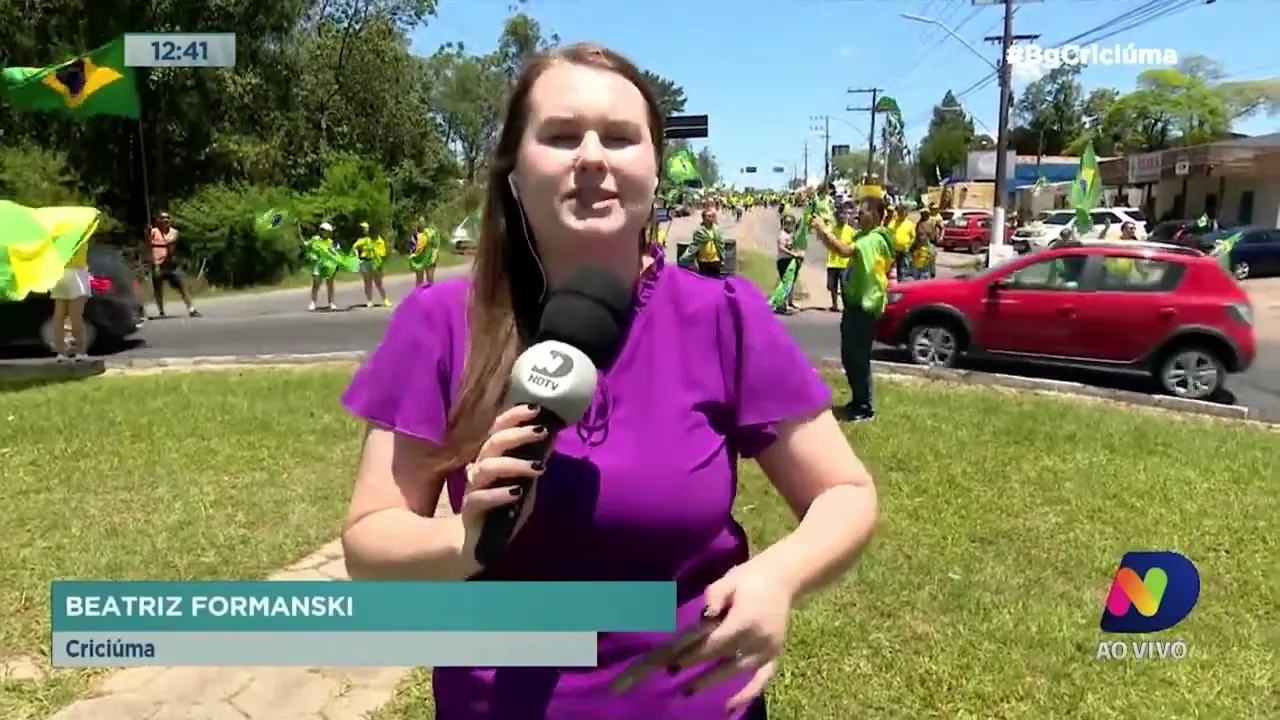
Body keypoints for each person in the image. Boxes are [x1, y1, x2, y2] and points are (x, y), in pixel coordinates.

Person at [339, 42, 878, 720]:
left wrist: (779, 577)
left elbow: (845, 492)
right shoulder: (439, 324)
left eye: (620, 138)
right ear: (513, 170)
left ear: (655, 174)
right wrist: (465, 540)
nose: (591, 156)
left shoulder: (725, 316)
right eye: (561, 135)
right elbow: (370, 543)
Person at [811, 195, 894, 422]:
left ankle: (864, 407)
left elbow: (844, 250)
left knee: (858, 358)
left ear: (876, 216)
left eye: (863, 212)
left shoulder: (874, 240)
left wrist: (822, 231)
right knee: (850, 357)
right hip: (855, 305)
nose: (858, 215)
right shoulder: (865, 236)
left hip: (864, 307)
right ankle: (858, 401)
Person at [147, 211, 200, 318]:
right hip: (157, 264)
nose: (165, 220)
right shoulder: (153, 231)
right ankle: (161, 311)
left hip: (170, 264)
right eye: (163, 218)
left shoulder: (174, 232)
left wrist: (159, 239)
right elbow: (148, 242)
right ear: (158, 220)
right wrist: (148, 234)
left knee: (181, 286)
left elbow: (170, 242)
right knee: (158, 288)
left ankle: (191, 309)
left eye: (167, 218)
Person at [50, 236, 93, 361]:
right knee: (76, 315)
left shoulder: (56, 234)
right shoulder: (80, 231)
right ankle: (80, 352)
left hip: (59, 272)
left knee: (59, 314)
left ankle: (61, 353)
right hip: (76, 272)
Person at [353, 222, 391, 308]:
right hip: (366, 262)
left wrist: (380, 264)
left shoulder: (380, 241)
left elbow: (382, 254)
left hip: (376, 263)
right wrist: (357, 256)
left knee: (378, 283)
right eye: (371, 231)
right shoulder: (366, 240)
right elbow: (354, 246)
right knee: (367, 282)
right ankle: (369, 300)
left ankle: (385, 299)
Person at [825, 205, 854, 312]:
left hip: (845, 263)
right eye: (840, 216)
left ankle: (846, 306)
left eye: (844, 216)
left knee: (844, 287)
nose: (842, 218)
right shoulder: (831, 229)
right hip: (832, 262)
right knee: (831, 285)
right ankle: (834, 304)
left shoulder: (850, 231)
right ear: (836, 217)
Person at [682, 206, 725, 277]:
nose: (711, 218)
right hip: (703, 261)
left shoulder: (717, 230)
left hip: (715, 260)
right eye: (709, 216)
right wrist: (685, 259)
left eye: (712, 216)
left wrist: (722, 258)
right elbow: (694, 246)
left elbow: (721, 245)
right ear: (703, 218)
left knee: (715, 282)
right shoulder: (699, 232)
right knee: (704, 283)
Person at [306, 222, 340, 311]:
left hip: (329, 265)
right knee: (316, 284)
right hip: (318, 264)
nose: (323, 232)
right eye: (322, 230)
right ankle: (313, 302)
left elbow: (336, 254)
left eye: (325, 230)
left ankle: (331, 303)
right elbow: (306, 245)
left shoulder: (331, 242)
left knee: (330, 284)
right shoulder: (315, 239)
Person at [775, 213, 803, 314]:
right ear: (783, 224)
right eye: (787, 223)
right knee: (785, 283)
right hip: (784, 261)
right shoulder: (782, 235)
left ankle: (789, 302)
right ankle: (780, 304)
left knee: (791, 282)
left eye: (791, 223)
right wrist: (793, 254)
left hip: (791, 261)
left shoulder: (792, 234)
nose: (789, 225)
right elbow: (781, 248)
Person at [887, 204, 915, 282]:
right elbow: (888, 234)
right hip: (893, 250)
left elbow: (913, 237)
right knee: (889, 268)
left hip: (904, 251)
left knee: (901, 269)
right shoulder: (893, 223)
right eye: (900, 212)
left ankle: (899, 283)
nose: (902, 214)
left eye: (903, 212)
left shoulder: (910, 224)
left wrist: (909, 246)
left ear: (906, 213)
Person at [409, 219, 440, 287]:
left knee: (430, 278)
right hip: (419, 259)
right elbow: (412, 249)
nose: (421, 223)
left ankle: (431, 295)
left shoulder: (430, 233)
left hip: (430, 257)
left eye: (423, 221)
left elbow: (436, 245)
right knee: (419, 280)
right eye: (420, 221)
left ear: (425, 223)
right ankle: (419, 295)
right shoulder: (415, 235)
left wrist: (436, 255)